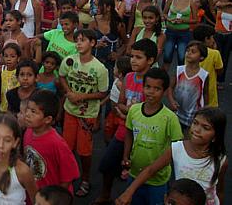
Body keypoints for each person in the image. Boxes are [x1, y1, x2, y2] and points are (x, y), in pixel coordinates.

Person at [117, 107, 227, 205]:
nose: (197, 130)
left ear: (215, 137)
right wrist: (129, 192)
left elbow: (219, 190)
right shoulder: (177, 148)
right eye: (195, 123)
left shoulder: (220, 160)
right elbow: (151, 170)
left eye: (205, 127)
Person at [94, 40, 157, 204]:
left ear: (150, 60)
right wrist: (129, 111)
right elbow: (120, 102)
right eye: (132, 56)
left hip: (143, 134)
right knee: (107, 164)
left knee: (142, 171)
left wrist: (129, 111)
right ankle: (105, 195)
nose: (133, 61)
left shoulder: (153, 82)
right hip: (124, 129)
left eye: (138, 57)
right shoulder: (128, 77)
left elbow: (151, 110)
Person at [121, 68, 183, 205]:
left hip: (158, 179)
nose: (151, 92)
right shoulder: (134, 110)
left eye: (157, 88)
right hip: (134, 172)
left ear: (165, 91)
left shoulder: (170, 118)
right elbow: (129, 134)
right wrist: (126, 156)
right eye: (148, 87)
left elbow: (176, 148)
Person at [59, 29, 109, 197]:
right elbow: (62, 77)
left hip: (88, 114)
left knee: (84, 150)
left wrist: (82, 96)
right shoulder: (69, 61)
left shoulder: (100, 69)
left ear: (93, 43)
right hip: (70, 111)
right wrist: (69, 93)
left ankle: (86, 178)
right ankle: (68, 175)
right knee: (67, 146)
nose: (79, 43)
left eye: (83, 40)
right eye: (77, 40)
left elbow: (102, 92)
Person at [23, 90, 79, 192]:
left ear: (48, 119)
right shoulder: (28, 131)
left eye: (33, 112)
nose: (27, 114)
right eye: (28, 109)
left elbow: (68, 177)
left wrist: (55, 199)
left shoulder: (57, 143)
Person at [0, 113, 37, 204]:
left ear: (15, 142)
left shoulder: (22, 171)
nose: (0, 145)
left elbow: (36, 200)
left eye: (7, 140)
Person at [168, 41, 209, 130]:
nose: (189, 53)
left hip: (193, 114)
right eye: (187, 50)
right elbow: (170, 87)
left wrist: (205, 110)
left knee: (188, 137)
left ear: (201, 57)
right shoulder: (179, 70)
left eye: (193, 52)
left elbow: (205, 93)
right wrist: (171, 100)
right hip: (177, 111)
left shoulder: (203, 75)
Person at [163, 0, 197, 69]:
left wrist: (183, 21)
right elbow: (164, 14)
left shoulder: (192, 2)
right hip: (170, 31)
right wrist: (169, 19)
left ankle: (180, 80)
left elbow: (195, 20)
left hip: (184, 33)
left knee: (182, 58)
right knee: (166, 56)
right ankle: (163, 80)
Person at [193, 25, 223, 107]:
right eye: (212, 37)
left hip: (193, 89)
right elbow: (220, 71)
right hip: (210, 91)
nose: (213, 40)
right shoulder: (215, 53)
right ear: (206, 39)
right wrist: (214, 49)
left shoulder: (190, 52)